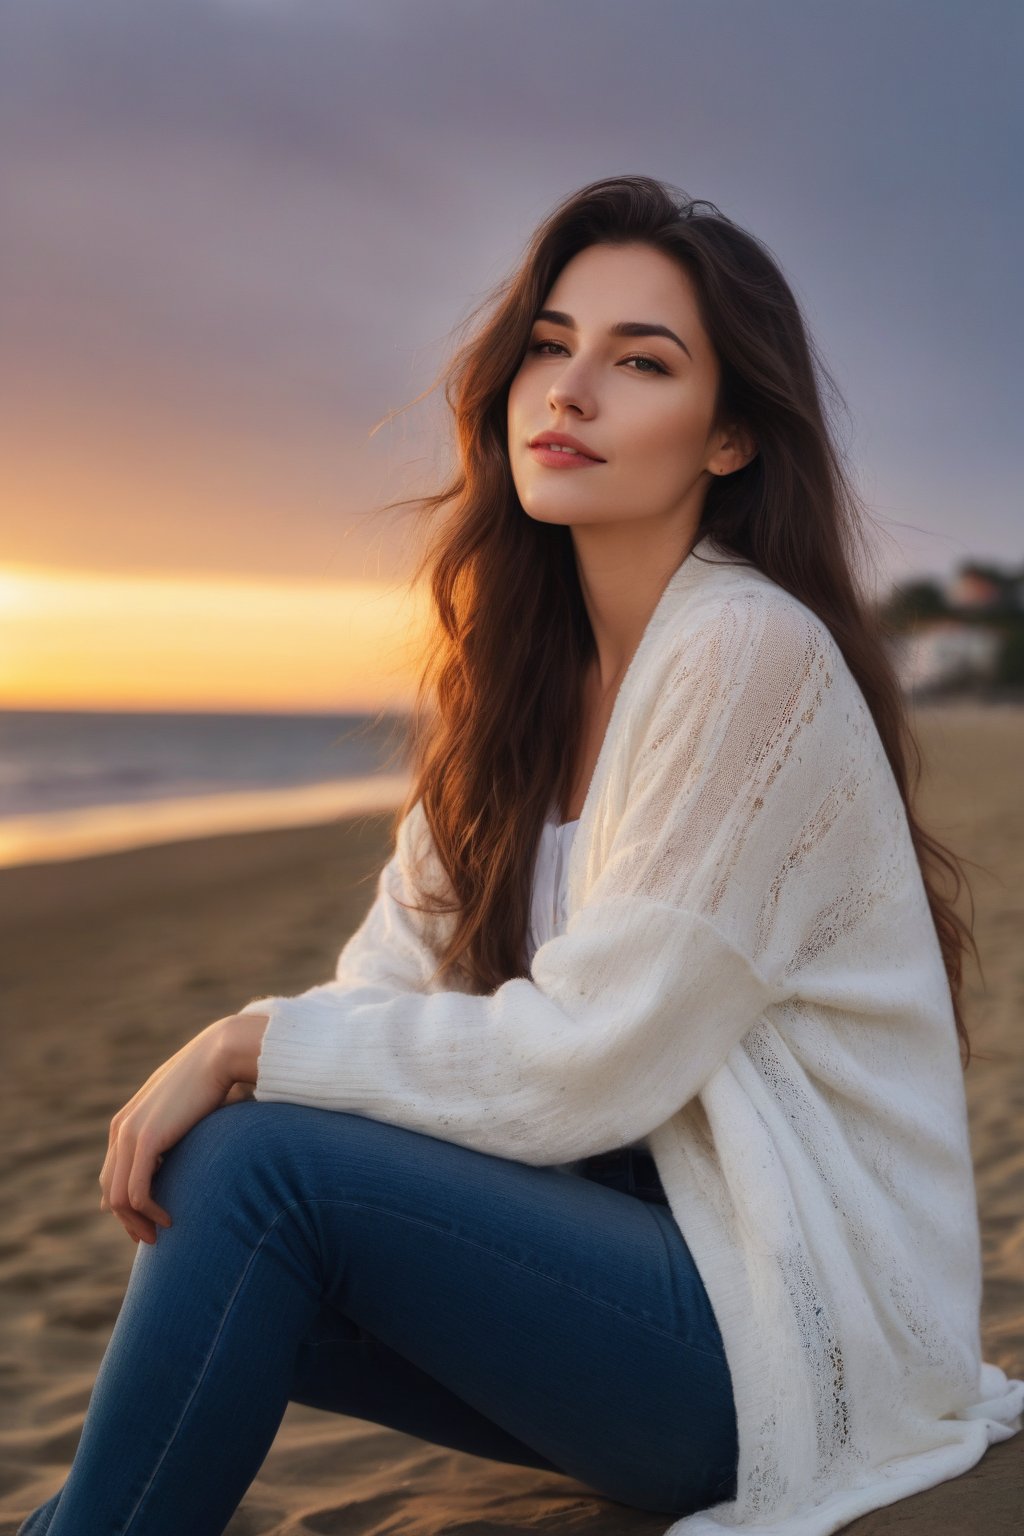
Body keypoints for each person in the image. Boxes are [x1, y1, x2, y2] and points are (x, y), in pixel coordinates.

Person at [19, 174, 1022, 1536]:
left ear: (728, 436)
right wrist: (278, 1060)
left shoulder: (747, 657)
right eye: (548, 346)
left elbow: (594, 1057)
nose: (571, 390)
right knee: (242, 1199)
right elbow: (386, 989)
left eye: (640, 361)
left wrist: (248, 1042)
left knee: (254, 1168)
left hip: (799, 1343)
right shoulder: (516, 692)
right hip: (649, 1281)